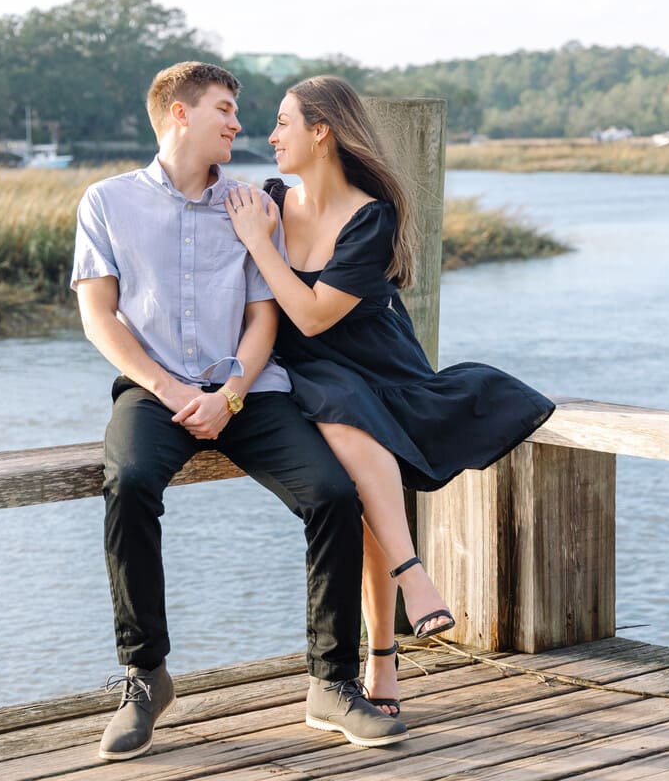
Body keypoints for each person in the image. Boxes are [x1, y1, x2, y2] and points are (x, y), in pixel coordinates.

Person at [72, 62, 408, 762]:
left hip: (249, 391)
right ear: (179, 115)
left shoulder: (254, 205)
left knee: (332, 496)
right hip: (152, 390)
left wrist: (227, 395)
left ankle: (333, 683)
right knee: (129, 485)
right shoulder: (106, 202)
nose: (238, 124)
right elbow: (101, 320)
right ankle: (145, 678)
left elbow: (265, 319)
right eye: (225, 109)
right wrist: (171, 393)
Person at [226, 75, 555, 717]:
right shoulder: (265, 201)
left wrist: (259, 248)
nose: (270, 136)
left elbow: (318, 315)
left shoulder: (370, 216)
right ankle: (405, 599)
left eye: (284, 122)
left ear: (321, 132)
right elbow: (278, 317)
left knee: (358, 446)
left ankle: (386, 643)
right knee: (348, 439)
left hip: (380, 368)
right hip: (310, 371)